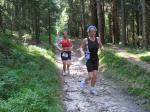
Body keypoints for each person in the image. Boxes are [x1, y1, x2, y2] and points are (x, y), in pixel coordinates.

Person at [79, 25, 104, 95]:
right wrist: (82, 52)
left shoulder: (98, 39)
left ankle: (92, 89)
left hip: (96, 59)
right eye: (91, 32)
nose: (93, 33)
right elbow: (81, 47)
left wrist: (103, 50)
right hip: (89, 59)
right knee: (90, 76)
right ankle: (83, 81)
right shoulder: (86, 40)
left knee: (95, 75)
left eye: (94, 32)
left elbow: (101, 46)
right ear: (88, 33)